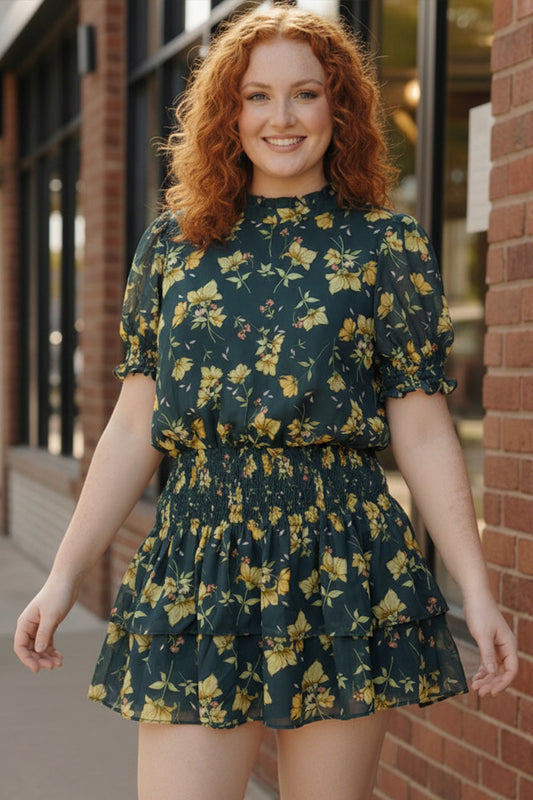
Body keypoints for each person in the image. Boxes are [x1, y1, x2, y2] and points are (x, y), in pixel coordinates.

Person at [14, 5, 518, 800]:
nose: (280, 118)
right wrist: (64, 575)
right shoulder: (174, 246)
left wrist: (476, 592)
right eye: (256, 96)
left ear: (338, 107)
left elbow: (420, 431)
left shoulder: (385, 247)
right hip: (201, 556)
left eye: (305, 94)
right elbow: (136, 422)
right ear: (228, 112)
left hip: (343, 559)